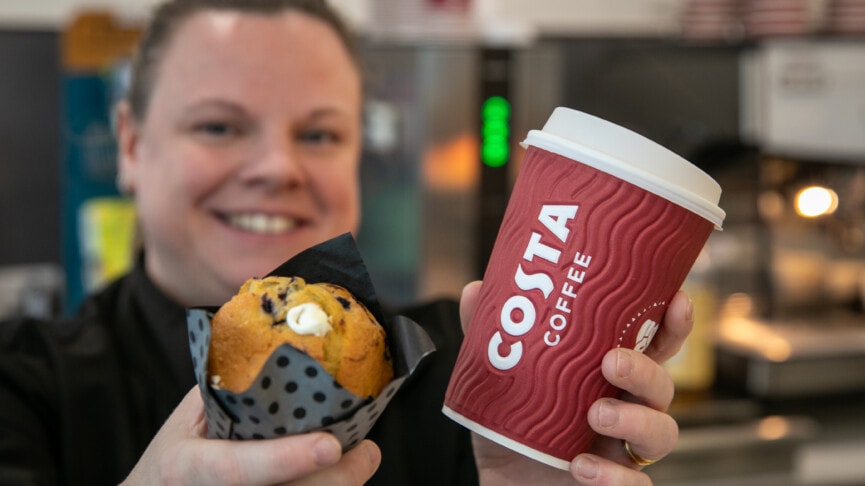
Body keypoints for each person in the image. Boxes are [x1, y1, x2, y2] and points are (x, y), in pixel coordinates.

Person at [0, 0, 689, 484]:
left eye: (320, 134)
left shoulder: (465, 374)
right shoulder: (23, 388)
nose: (277, 168)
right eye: (217, 127)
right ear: (129, 145)